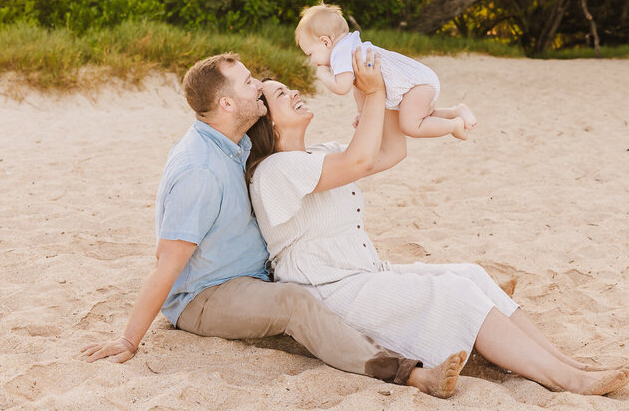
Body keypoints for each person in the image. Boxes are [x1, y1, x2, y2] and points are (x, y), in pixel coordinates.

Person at [245, 50, 629, 397]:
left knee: (471, 274)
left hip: (362, 275)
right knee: (455, 294)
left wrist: (371, 91)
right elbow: (361, 160)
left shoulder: (320, 153)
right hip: (328, 292)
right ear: (267, 123)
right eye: (282, 94)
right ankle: (564, 380)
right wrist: (376, 94)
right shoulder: (274, 171)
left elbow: (390, 151)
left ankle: (568, 363)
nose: (294, 93)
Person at [79, 51, 466, 398]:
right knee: (295, 303)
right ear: (227, 103)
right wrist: (129, 340)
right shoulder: (199, 168)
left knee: (336, 285)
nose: (259, 85)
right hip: (208, 295)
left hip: (256, 276)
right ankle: (409, 375)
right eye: (249, 82)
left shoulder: (235, 141)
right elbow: (167, 262)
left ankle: (458, 301)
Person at [295, 3, 477, 139]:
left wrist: (324, 75)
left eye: (310, 53)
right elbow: (358, 86)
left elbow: (342, 87)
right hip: (417, 82)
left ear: (325, 42)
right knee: (423, 117)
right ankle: (456, 111)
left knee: (411, 126)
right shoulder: (349, 47)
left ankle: (454, 125)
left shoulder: (341, 52)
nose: (312, 60)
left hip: (415, 86)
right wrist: (361, 112)